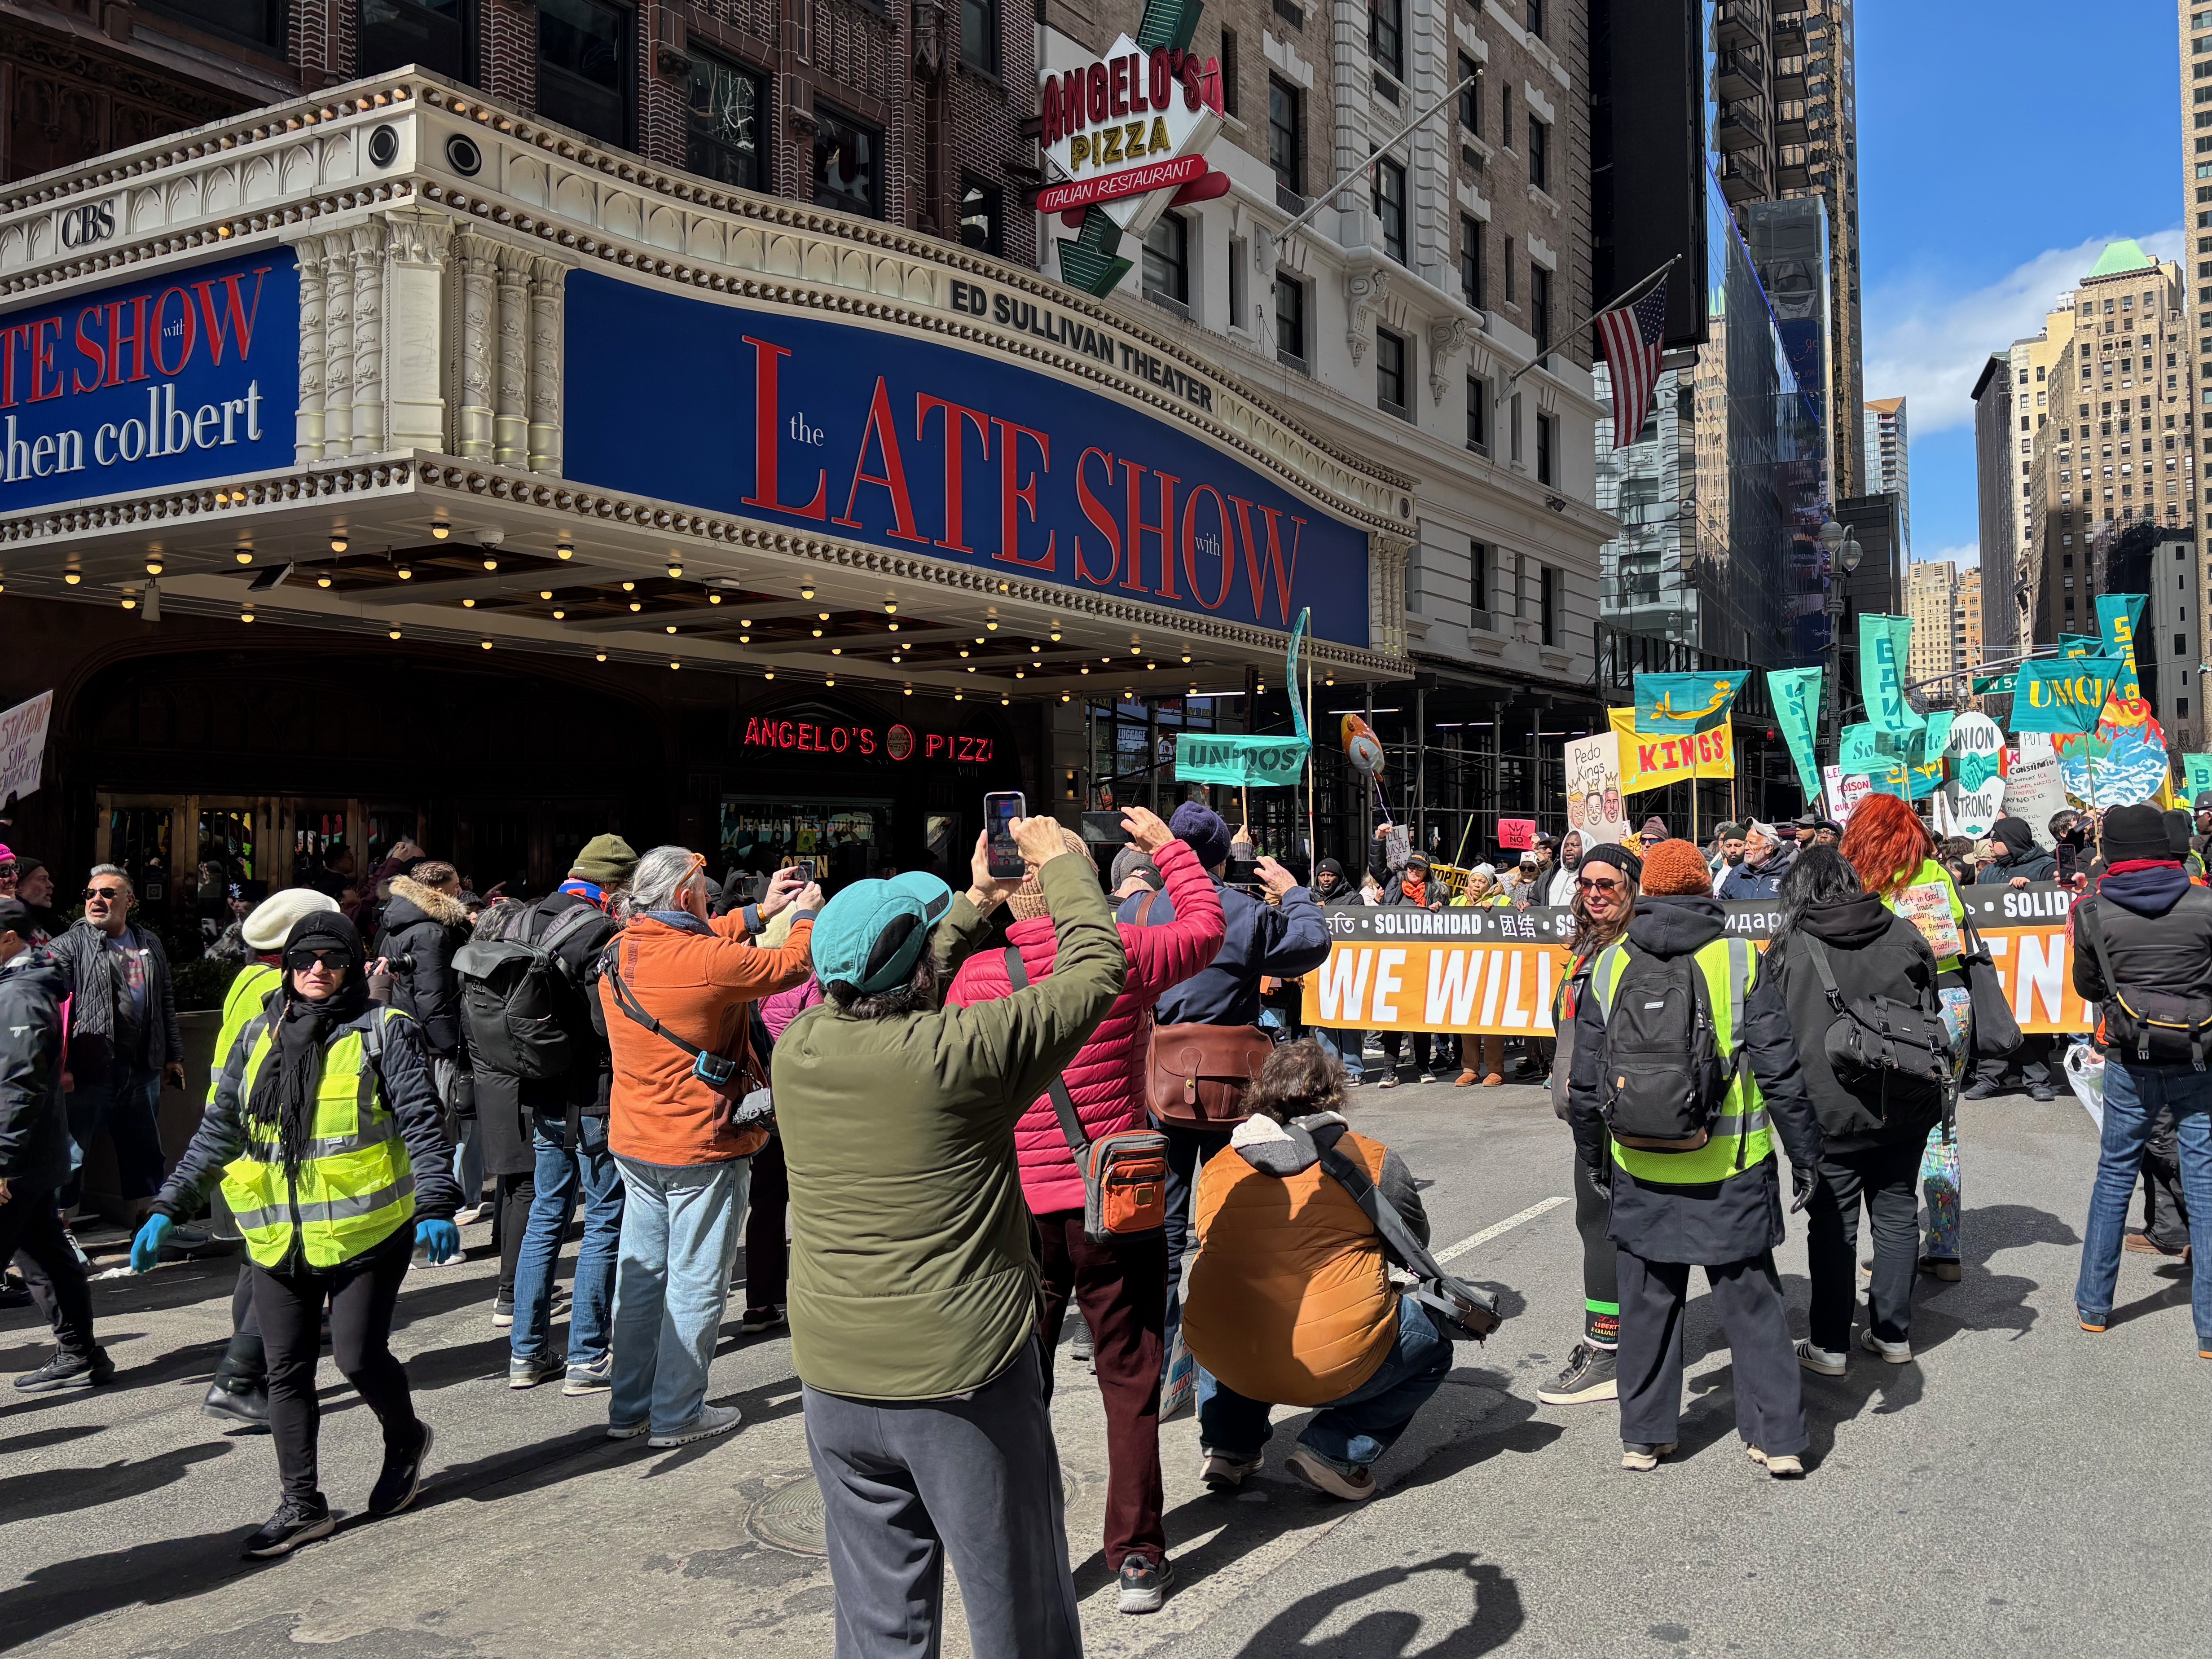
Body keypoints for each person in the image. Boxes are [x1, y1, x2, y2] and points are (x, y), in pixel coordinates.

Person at [775, 819, 1123, 1659]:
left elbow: (889, 989)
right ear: (922, 971)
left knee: (879, 1620)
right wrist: (1069, 873)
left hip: (836, 1380)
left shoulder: (800, 1048)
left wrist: (976, 900)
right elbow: (1096, 970)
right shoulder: (967, 1054)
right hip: (961, 1380)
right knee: (1017, 1605)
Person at [945, 806, 1223, 1614]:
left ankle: (1023, 1563)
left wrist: (975, 894)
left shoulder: (977, 978)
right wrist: (1168, 848)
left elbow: (914, 987)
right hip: (1113, 1195)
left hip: (1013, 1208)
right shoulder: (1129, 956)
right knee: (1128, 1372)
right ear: (1078, 883)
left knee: (1013, 1387)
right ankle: (1136, 1556)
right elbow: (1205, 928)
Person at [132, 912, 462, 1558]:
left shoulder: (383, 1030)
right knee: (284, 1368)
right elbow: (218, 1130)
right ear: (286, 964)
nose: (317, 970)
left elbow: (423, 1121)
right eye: (305, 958)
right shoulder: (258, 1032)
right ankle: (302, 1501)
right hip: (278, 1236)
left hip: (367, 1231)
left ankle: (405, 1437)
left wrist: (436, 1202)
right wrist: (168, 1204)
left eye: (332, 959)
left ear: (353, 964)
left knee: (358, 1357)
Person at [1567, 839, 1823, 1476]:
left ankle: (1644, 1434)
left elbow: (1583, 1082)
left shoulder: (1608, 963)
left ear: (1646, 890)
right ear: (1706, 888)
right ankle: (1778, 1438)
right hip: (1729, 1163)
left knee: (1647, 1299)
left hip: (1639, 1162)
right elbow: (1778, 1067)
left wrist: (1596, 1157)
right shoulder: (1737, 957)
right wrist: (1805, 1154)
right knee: (1753, 1303)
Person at [597, 849, 816, 1447]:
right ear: (685, 896)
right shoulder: (702, 958)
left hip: (636, 1138)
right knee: (696, 1276)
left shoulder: (621, 947)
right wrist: (803, 916)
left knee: (641, 1276)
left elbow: (697, 947)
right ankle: (676, 1413)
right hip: (702, 1138)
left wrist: (756, 912)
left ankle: (631, 1406)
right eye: (701, 891)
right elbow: (794, 965)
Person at [1186, 1035, 1453, 1498]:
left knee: (1230, 1301)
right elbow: (1413, 1241)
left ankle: (1228, 1446)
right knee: (1433, 1345)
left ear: (1260, 1092)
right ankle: (1334, 1449)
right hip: (1332, 1359)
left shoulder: (1219, 1163)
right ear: (1334, 1092)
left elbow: (1215, 1244)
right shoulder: (1370, 1157)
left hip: (1224, 1351)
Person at [1117, 801, 1330, 1376]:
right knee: (1229, 1215)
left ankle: (1163, 1362)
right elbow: (1310, 944)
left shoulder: (1136, 911)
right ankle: (1225, 1352)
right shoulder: (1239, 909)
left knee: (1161, 1226)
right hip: (1233, 1085)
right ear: (1218, 857)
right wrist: (1294, 891)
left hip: (1157, 1083)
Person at [1763, 848, 1949, 1374]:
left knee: (1833, 1225)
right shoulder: (1905, 931)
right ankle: (1893, 1334)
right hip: (1905, 1098)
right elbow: (1929, 1005)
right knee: (1895, 1212)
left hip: (1827, 1110)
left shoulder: (1788, 948)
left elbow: (1772, 1034)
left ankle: (1828, 1343)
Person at [493, 836, 635, 1395]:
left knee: (546, 1216)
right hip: (595, 1093)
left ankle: (526, 1354)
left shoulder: (521, 920)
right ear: (616, 887)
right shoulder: (598, 930)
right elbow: (608, 1025)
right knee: (603, 1219)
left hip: (540, 1092)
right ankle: (586, 1356)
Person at [2069, 802, 2212, 1354]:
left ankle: (2094, 1306)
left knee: (2113, 1174)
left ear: (2113, 851)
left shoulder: (2092, 910)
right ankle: (2207, 1330)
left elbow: (2087, 987)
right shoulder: (2204, 901)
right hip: (2199, 1050)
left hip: (2130, 1053)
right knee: (2203, 1179)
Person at [199, 887, 344, 1428]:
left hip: (247, 1136)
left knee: (262, 1261)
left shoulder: (250, 977)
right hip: (264, 1141)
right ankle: (241, 1378)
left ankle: (252, 1374)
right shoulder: (278, 989)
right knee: (276, 1260)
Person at [1842, 793, 1973, 1283]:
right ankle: (1945, 1247)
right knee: (1943, 1124)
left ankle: (1891, 1241)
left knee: (1881, 1119)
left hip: (1883, 1007)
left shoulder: (1856, 878)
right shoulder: (1936, 874)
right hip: (1950, 1000)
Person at [1536, 842, 1641, 1407]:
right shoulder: (1588, 946)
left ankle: (1607, 1349)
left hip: (1616, 1113)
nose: (1594, 893)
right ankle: (1629, 1343)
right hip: (1589, 1110)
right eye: (1586, 884)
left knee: (1600, 1221)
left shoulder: (1630, 946)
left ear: (1632, 885)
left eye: (1608, 883)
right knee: (1601, 1221)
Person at [0, 898, 112, 1394]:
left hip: (15, 1159)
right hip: (31, 1155)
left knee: (45, 1253)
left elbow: (18, 1082)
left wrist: (2, 1160)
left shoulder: (21, 993)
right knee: (45, 1254)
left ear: (9, 937)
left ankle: (80, 1352)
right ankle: (81, 1352)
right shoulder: (20, 985)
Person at [51, 864, 184, 1215]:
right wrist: (61, 1067)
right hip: (87, 1071)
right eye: (91, 894)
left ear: (130, 901)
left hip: (141, 1069)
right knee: (71, 1154)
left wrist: (173, 1055)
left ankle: (147, 1224)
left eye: (108, 893)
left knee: (144, 1151)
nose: (97, 899)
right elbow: (54, 1014)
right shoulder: (67, 946)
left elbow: (164, 1000)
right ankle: (61, 1232)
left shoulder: (148, 942)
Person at [375, 860, 478, 1219]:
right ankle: (449, 1201)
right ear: (439, 891)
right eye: (454, 888)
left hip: (408, 1034)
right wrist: (455, 1048)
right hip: (434, 1042)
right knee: (447, 1121)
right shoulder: (432, 932)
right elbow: (434, 998)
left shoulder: (396, 923)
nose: (459, 893)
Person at [1966, 817, 2058, 1104]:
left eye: (1997, 839)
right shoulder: (1990, 872)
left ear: (2014, 840)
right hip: (1999, 956)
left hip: (2034, 957)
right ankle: (1990, 1077)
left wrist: (2033, 889)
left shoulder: (2045, 867)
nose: (1991, 845)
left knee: (2033, 1018)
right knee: (1993, 1017)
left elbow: (2058, 900)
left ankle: (2038, 1078)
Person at [1376, 852, 1445, 1087]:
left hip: (1423, 963)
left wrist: (1441, 910)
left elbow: (1451, 922)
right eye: (1411, 867)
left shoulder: (1436, 891)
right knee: (1392, 1018)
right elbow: (1377, 868)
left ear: (1428, 871)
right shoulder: (1395, 885)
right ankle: (1389, 1070)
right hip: (1394, 961)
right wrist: (1378, 840)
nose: (1414, 871)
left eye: (1419, 868)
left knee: (1421, 1019)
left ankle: (1424, 1066)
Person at [1309, 858, 1369, 1085]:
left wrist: (1331, 911)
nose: (1326, 879)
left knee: (1347, 1020)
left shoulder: (1354, 898)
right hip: (1318, 967)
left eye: (1331, 876)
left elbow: (1361, 925)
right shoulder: (1310, 898)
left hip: (1345, 966)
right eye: (1322, 876)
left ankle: (1354, 1069)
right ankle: (1331, 1071)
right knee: (1323, 1021)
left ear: (1339, 877)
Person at [1716, 820, 1793, 902]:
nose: (1746, 848)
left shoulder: (1789, 875)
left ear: (1768, 848)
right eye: (1746, 843)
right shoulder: (1736, 874)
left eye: (1752, 843)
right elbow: (1722, 907)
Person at [1546, 832, 1583, 907]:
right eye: (1566, 846)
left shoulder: (1592, 876)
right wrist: (1529, 904)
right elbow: (1536, 899)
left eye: (1575, 845)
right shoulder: (1553, 872)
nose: (1568, 849)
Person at [1707, 823, 1746, 889]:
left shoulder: (1753, 871)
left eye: (1738, 846)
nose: (1733, 850)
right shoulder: (1714, 868)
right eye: (1728, 846)